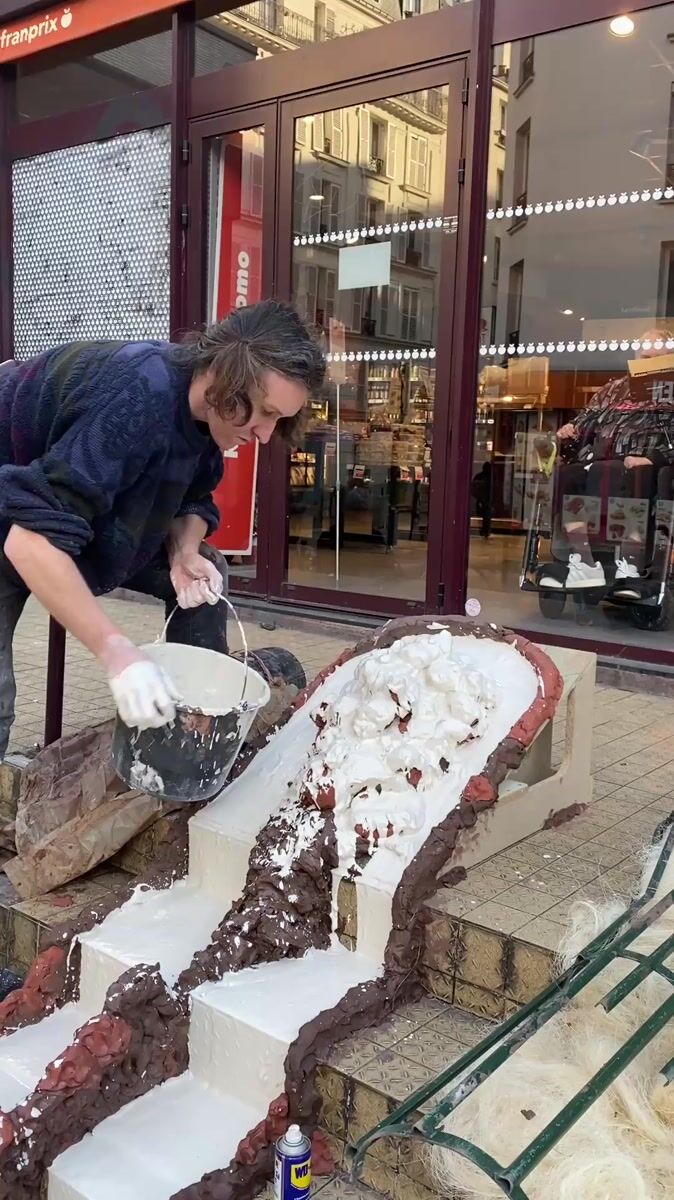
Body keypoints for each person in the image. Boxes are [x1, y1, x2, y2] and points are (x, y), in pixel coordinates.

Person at [0, 299, 326, 758]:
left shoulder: (209, 413)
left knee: (204, 572)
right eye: (265, 412)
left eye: (280, 420)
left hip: (62, 507)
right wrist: (116, 652)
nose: (266, 434)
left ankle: (190, 739)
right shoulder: (135, 397)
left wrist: (184, 552)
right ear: (225, 377)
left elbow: (193, 497)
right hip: (16, 512)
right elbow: (30, 541)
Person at [540, 329, 674, 595]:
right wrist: (571, 428)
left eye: (656, 358)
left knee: (625, 473)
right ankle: (585, 561)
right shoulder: (614, 388)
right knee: (568, 474)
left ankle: (631, 564)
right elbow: (585, 419)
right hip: (603, 460)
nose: (648, 363)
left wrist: (652, 458)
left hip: (646, 464)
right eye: (644, 357)